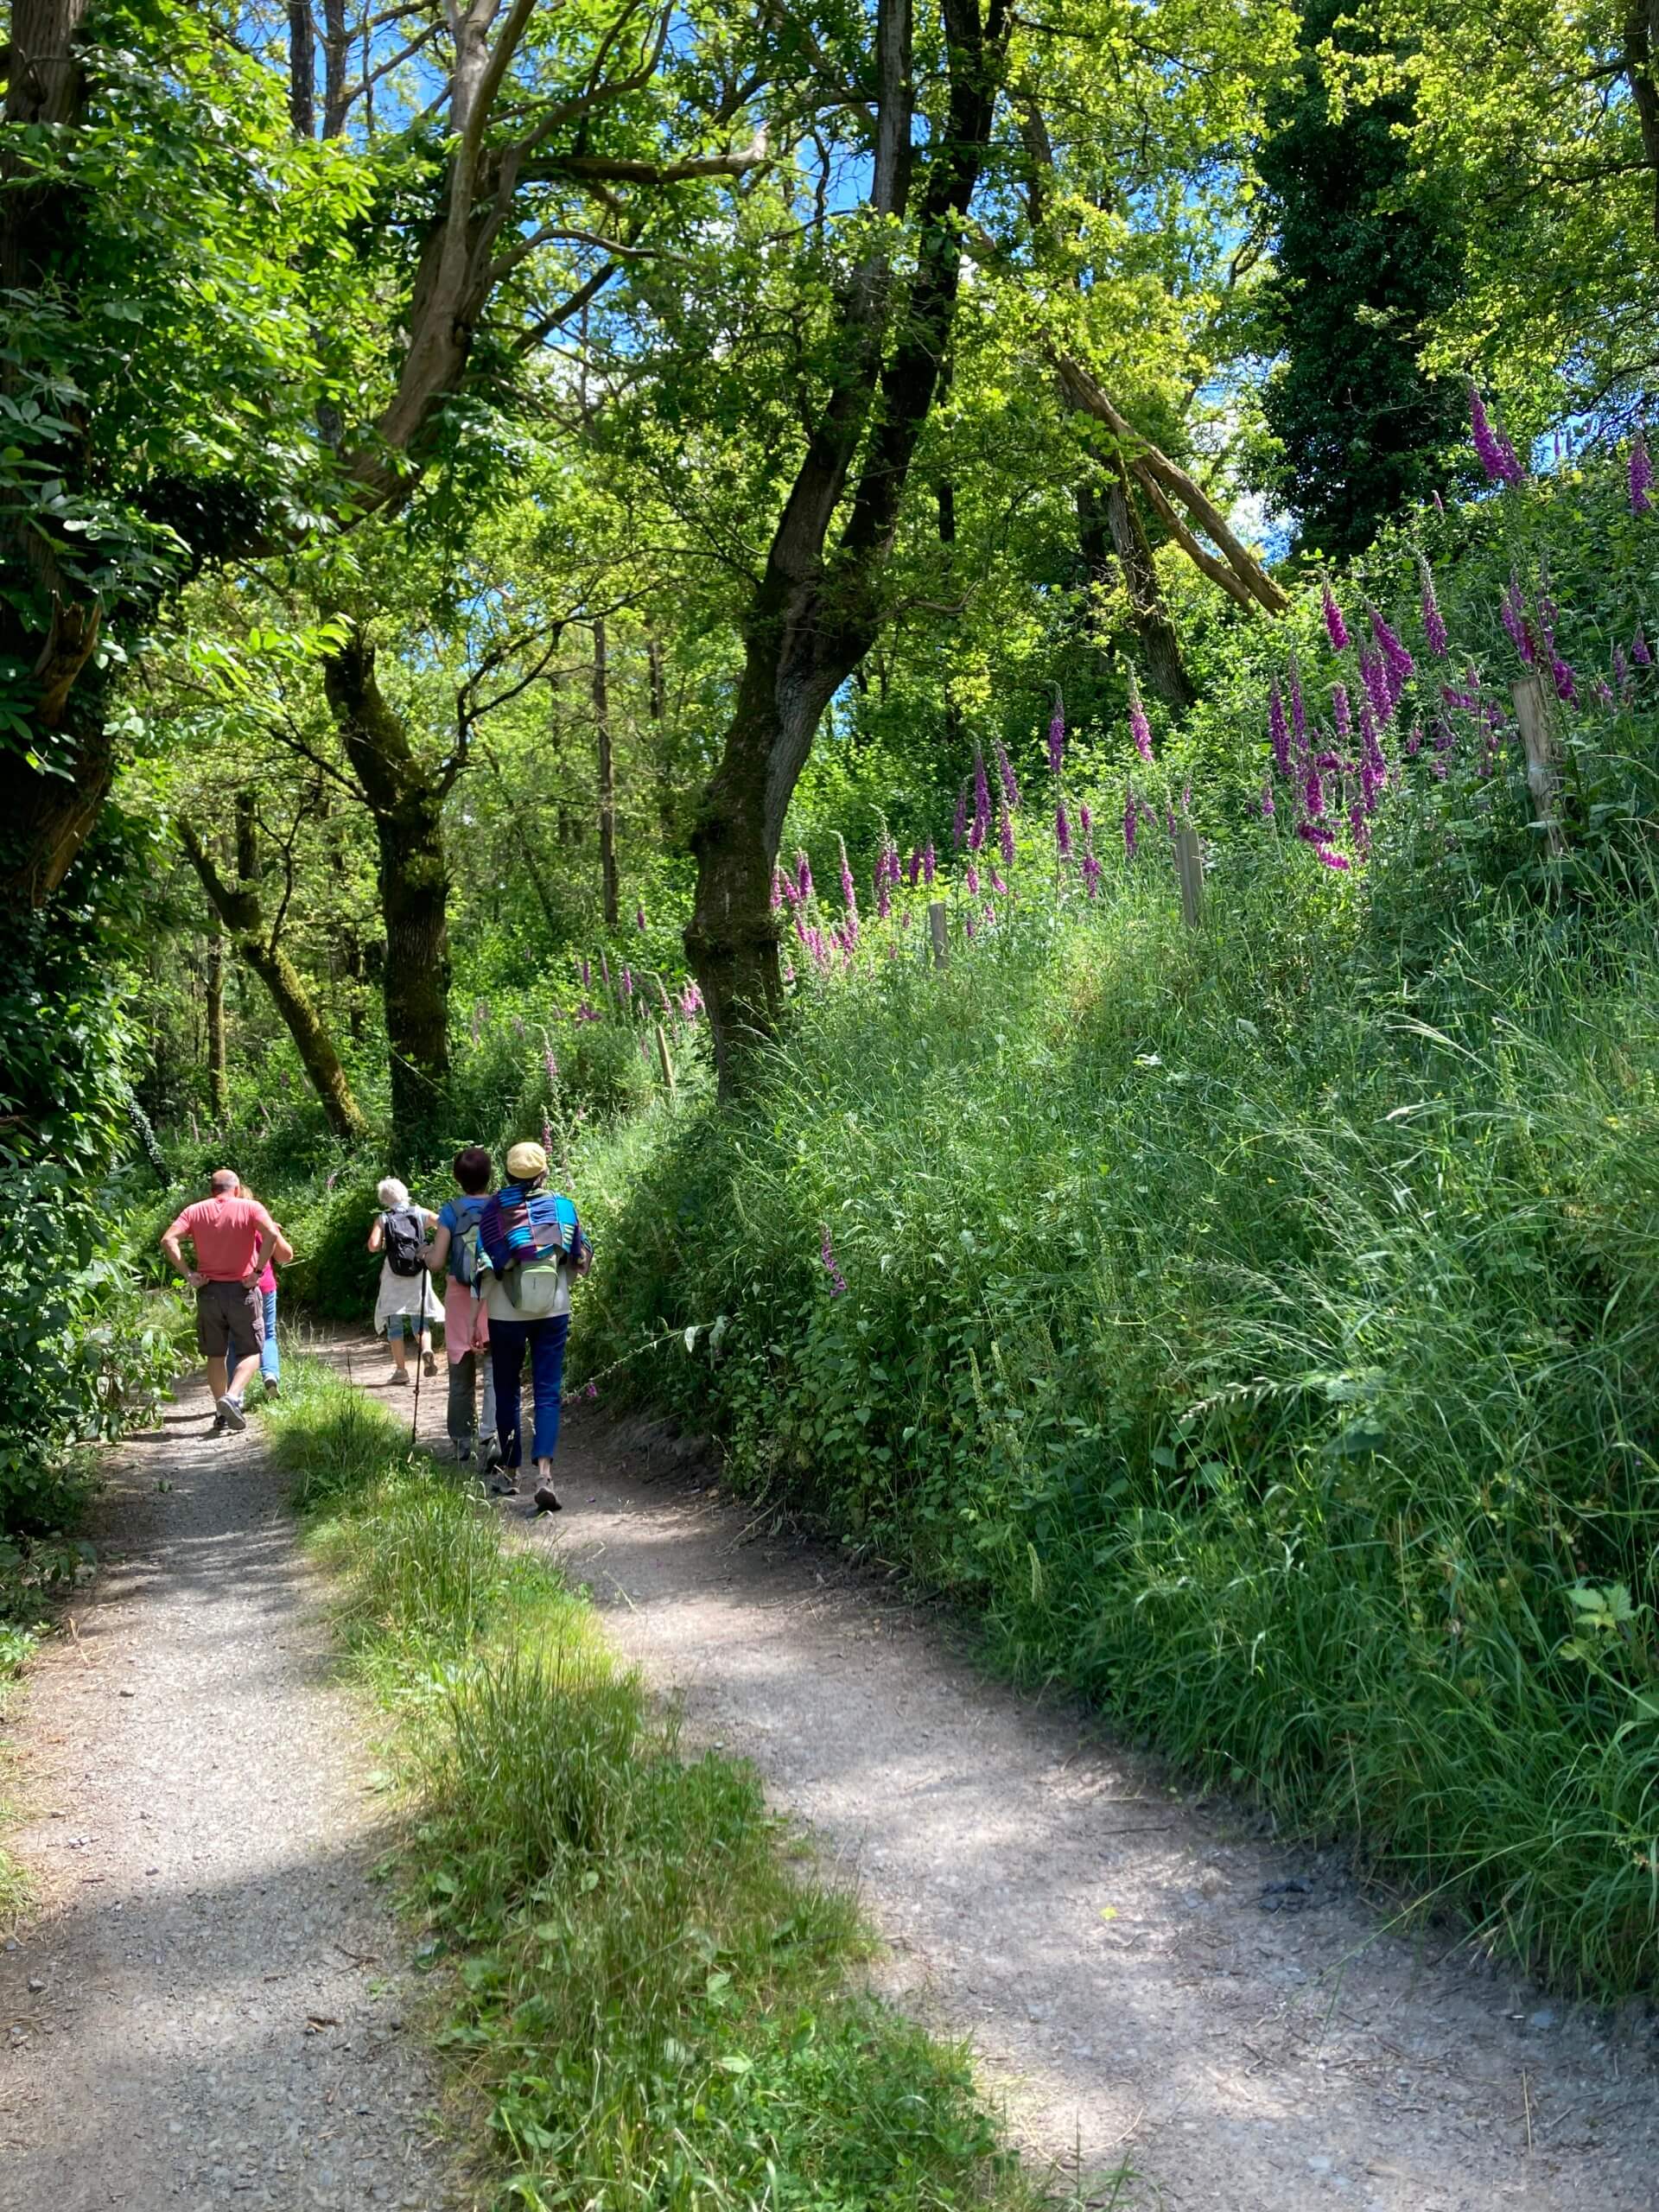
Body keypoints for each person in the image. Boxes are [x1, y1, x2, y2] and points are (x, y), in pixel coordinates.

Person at [475, 1141, 591, 1510]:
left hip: (505, 1311)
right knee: (547, 1390)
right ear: (544, 1171)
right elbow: (582, 1259)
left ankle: (510, 1472)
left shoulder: (494, 1210)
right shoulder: (562, 1207)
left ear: (507, 1173)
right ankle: (545, 1473)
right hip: (554, 1309)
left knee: (507, 1390)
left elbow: (484, 1261)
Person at [160, 1168, 278, 1433]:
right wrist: (257, 1272)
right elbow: (271, 1234)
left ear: (212, 1190)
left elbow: (168, 1240)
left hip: (209, 1292)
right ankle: (233, 1397)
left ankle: (220, 1412)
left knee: (216, 1354)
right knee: (251, 1351)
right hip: (242, 1291)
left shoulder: (194, 1211)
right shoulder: (250, 1207)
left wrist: (189, 1273)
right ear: (236, 1189)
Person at [423, 1145, 498, 1467]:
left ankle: (462, 1441)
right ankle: (491, 1435)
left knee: (460, 1369)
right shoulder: (500, 1206)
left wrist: (423, 1254)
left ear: (457, 1178)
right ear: (490, 1175)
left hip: (459, 1294)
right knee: (496, 1369)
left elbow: (438, 1262)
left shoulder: (451, 1211)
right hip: (495, 1292)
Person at [367, 1177, 442, 1383]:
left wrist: (384, 1241)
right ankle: (426, 1349)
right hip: (418, 1272)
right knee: (420, 1320)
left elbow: (372, 1246)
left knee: (395, 1323)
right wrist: (432, 1248)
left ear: (384, 1199)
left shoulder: (383, 1219)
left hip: (393, 1275)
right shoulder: (420, 1213)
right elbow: (446, 1225)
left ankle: (401, 1371)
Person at [231, 1181, 294, 1401]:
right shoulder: (263, 1226)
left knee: (235, 1340)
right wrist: (274, 1230)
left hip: (234, 1287)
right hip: (264, 1286)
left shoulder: (227, 1226)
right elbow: (286, 1256)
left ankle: (235, 1394)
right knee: (267, 1335)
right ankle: (270, 1375)